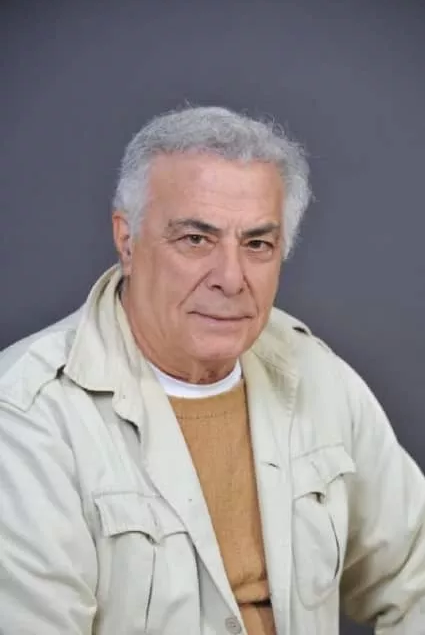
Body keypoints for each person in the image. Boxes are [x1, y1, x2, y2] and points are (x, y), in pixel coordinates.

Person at [0, 106, 424, 635]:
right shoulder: (27, 419)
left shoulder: (316, 375)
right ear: (127, 241)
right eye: (195, 240)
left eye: (257, 244)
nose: (230, 277)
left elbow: (417, 575)